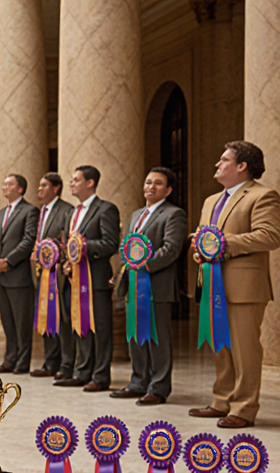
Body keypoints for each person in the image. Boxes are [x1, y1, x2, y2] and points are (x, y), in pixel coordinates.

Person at [189, 141, 280, 428]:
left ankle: (244, 408)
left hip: (244, 286)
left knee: (244, 349)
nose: (217, 164)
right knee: (220, 345)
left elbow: (270, 235)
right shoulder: (210, 201)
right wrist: (200, 251)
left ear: (242, 166)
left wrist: (224, 244)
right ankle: (221, 401)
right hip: (212, 282)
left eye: (224, 159)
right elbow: (207, 241)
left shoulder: (263, 195)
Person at [110, 168, 187, 406]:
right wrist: (122, 273)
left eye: (158, 183)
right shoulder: (136, 215)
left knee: (157, 338)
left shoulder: (174, 214)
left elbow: (171, 249)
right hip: (134, 286)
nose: (150, 187)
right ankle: (138, 382)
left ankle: (159, 387)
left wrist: (142, 265)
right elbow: (129, 250)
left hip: (157, 286)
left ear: (168, 189)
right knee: (136, 335)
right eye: (148, 182)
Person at [53, 166, 120, 392]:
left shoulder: (106, 209)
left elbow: (110, 244)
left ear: (90, 183)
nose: (71, 184)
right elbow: (67, 246)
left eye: (75, 180)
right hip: (74, 279)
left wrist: (83, 247)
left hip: (96, 279)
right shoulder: (71, 213)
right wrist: (66, 260)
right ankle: (82, 372)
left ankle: (100, 376)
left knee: (100, 327)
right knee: (80, 324)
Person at [0, 175, 39, 375]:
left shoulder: (29, 211)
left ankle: (23, 361)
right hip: (0, 276)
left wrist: (8, 261)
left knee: (21, 322)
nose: (4, 187)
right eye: (4, 184)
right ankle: (9, 359)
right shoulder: (0, 214)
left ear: (20, 189)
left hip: (18, 276)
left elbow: (28, 240)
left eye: (9, 184)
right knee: (7, 322)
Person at [29, 173, 76, 378]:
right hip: (44, 272)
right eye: (39, 185)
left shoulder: (67, 210)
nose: (40, 189)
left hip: (59, 273)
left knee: (63, 319)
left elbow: (69, 240)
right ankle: (50, 362)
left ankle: (67, 364)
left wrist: (55, 250)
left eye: (44, 185)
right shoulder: (42, 212)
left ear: (56, 188)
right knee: (47, 316)